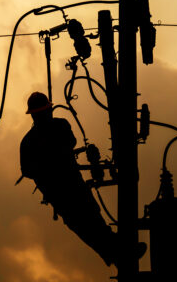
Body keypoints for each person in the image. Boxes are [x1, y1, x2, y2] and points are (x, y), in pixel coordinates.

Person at [19, 91, 121, 266]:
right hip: (61, 193)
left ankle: (116, 251)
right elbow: (27, 170)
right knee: (84, 223)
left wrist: (49, 157)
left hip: (71, 187)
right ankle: (114, 253)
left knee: (91, 218)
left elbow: (69, 143)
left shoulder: (55, 128)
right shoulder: (32, 140)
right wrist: (47, 163)